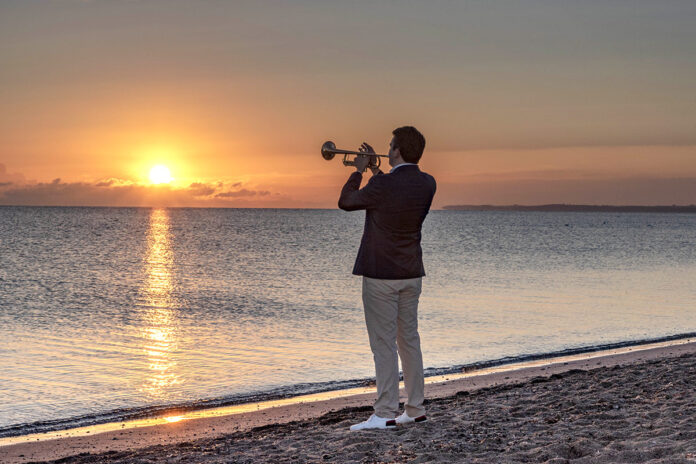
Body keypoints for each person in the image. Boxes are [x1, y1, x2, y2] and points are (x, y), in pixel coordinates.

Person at [338, 126, 436, 431]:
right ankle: (415, 408)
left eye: (390, 145)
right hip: (411, 274)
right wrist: (377, 172)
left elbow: (347, 201)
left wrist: (358, 171)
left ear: (397, 150)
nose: (387, 149)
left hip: (381, 275)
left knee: (383, 344)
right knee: (409, 341)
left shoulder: (385, 186)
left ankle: (384, 413)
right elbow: (392, 193)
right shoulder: (428, 183)